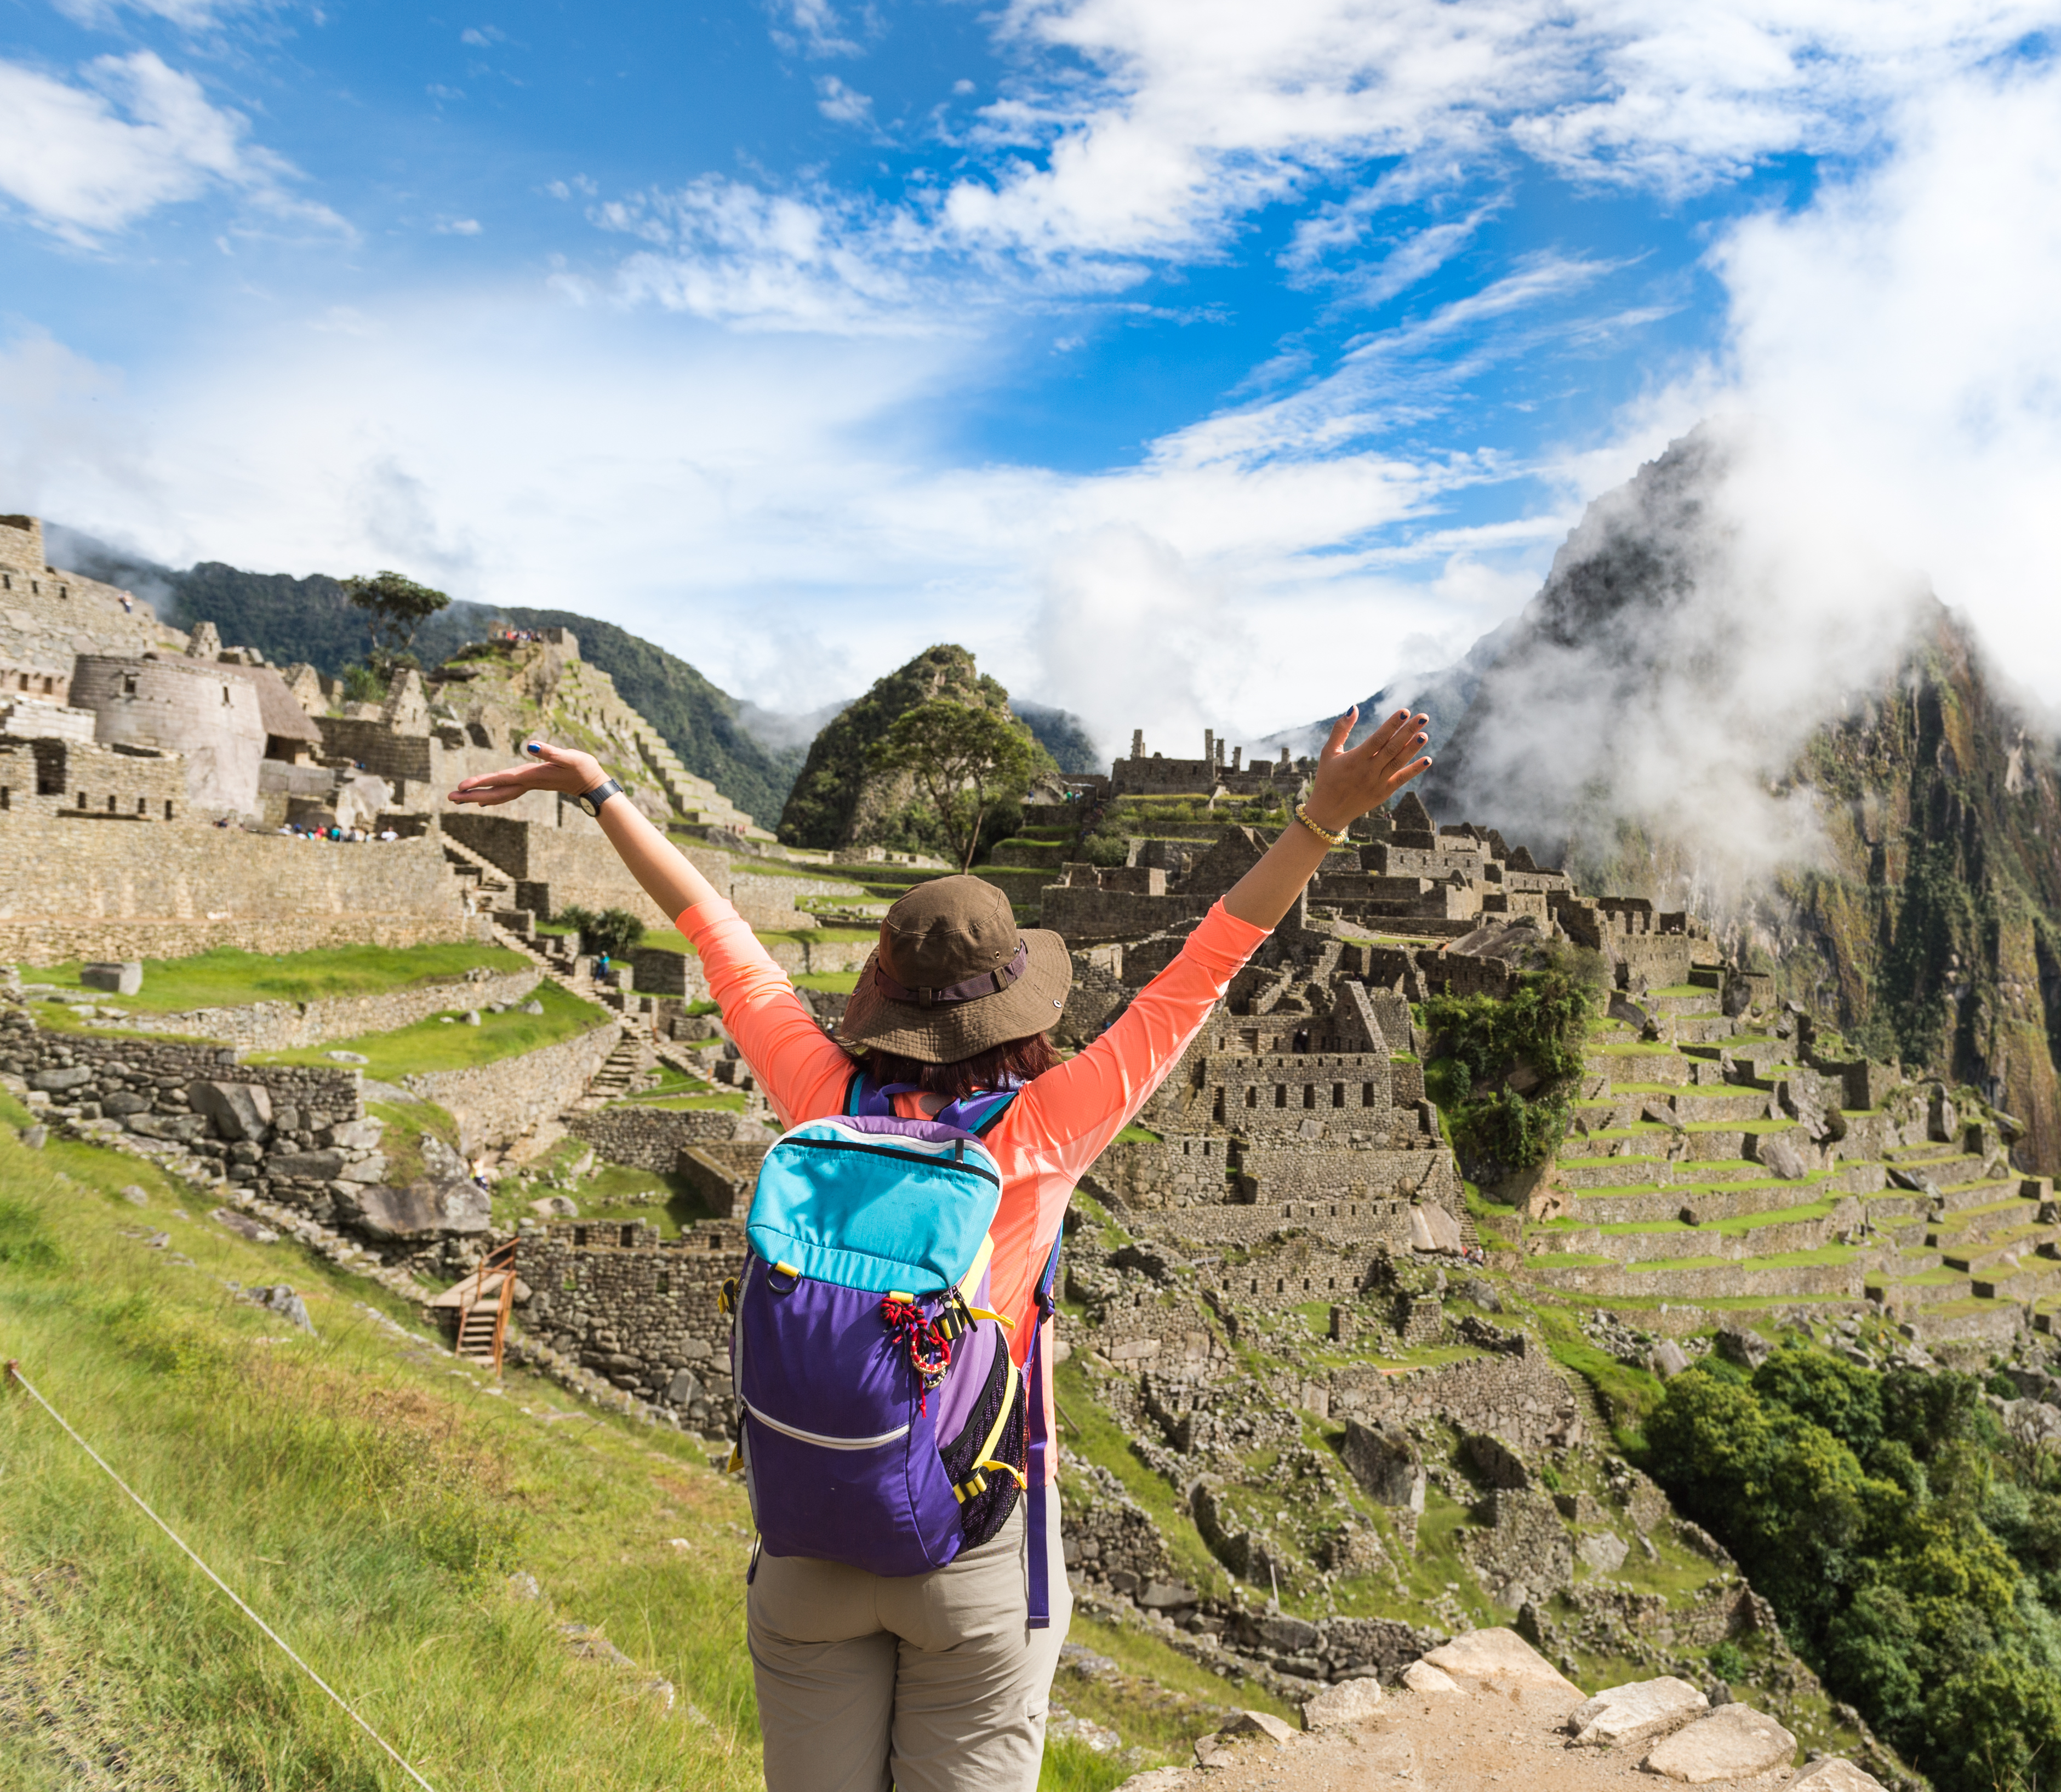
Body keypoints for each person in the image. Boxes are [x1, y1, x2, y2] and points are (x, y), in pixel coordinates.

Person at [448, 706, 1429, 1792]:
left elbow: (709, 925)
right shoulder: (1046, 1128)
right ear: (1019, 1005)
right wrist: (1319, 822)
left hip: (807, 1540)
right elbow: (1206, 965)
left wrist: (597, 790)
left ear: (884, 995)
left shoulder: (819, 1095)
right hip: (970, 1544)